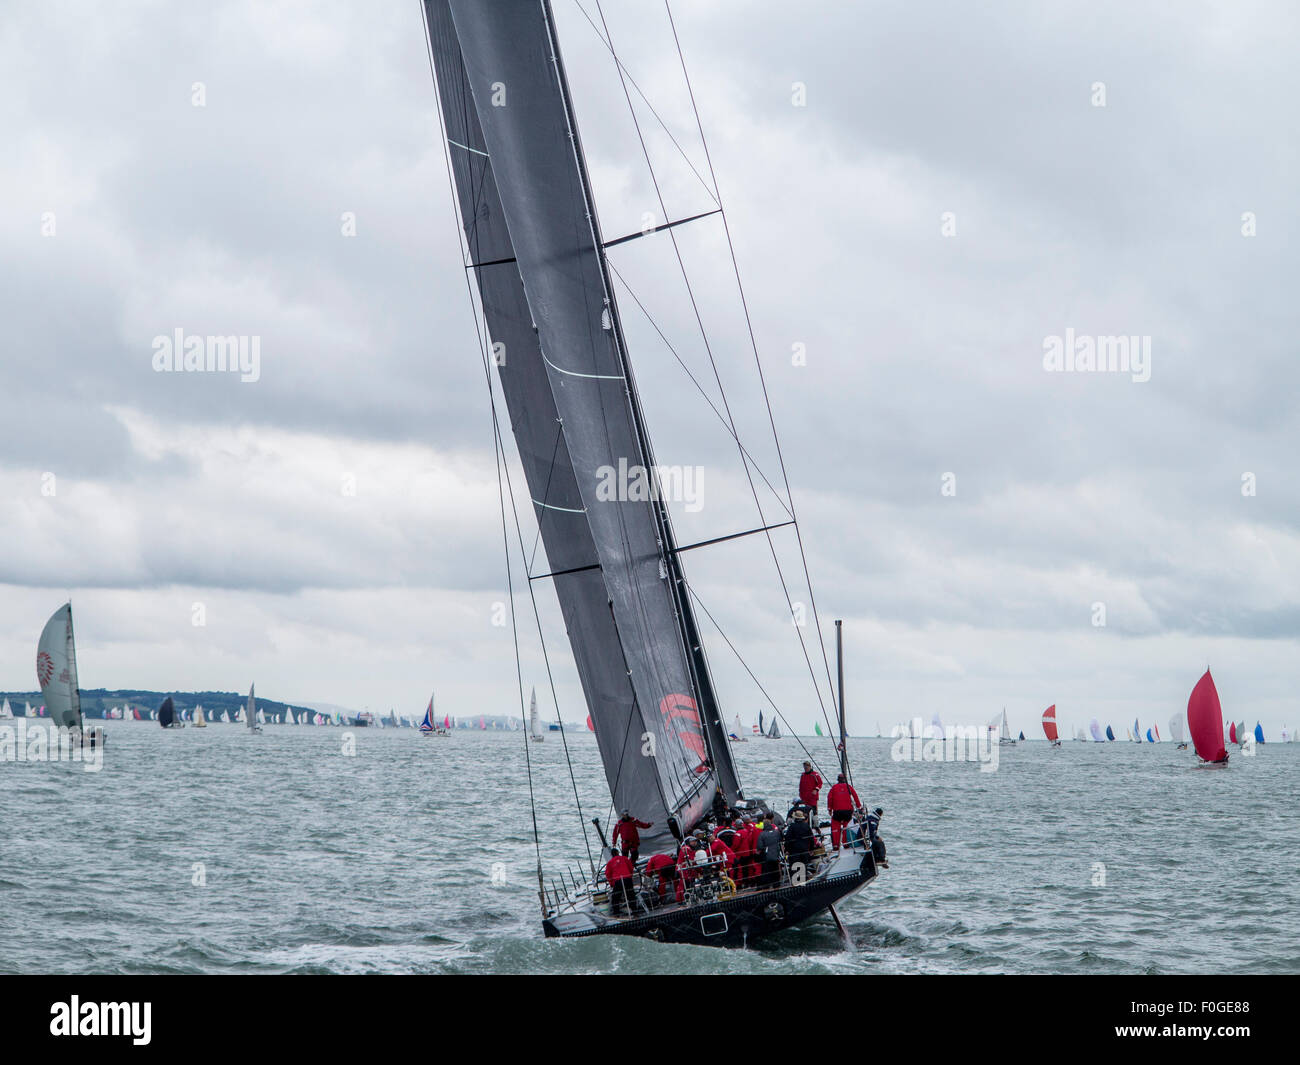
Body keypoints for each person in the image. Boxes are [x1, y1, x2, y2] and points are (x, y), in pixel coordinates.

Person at [826, 773, 862, 851]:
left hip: (837, 812)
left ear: (838, 780)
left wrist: (830, 809)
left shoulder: (834, 788)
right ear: (845, 779)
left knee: (835, 827)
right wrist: (859, 806)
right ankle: (846, 844)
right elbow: (855, 796)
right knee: (846, 827)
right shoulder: (849, 787)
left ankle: (836, 845)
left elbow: (829, 798)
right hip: (848, 812)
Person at [782, 809, 816, 882]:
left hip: (794, 850)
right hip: (804, 849)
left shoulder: (792, 826)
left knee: (795, 867)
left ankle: (795, 882)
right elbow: (811, 838)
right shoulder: (806, 826)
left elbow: (788, 839)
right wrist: (812, 849)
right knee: (804, 866)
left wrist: (786, 849)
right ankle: (803, 881)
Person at [605, 846, 637, 915]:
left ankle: (616, 913)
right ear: (618, 853)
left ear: (611, 855)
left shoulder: (610, 863)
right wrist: (630, 876)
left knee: (615, 898)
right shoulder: (625, 858)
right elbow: (631, 868)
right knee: (631, 896)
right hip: (627, 879)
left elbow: (608, 875)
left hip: (618, 881)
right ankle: (635, 912)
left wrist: (612, 884)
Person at [756, 818, 783, 888]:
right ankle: (776, 884)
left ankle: (767, 886)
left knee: (767, 871)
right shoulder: (776, 832)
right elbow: (780, 840)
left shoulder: (762, 834)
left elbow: (759, 846)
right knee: (776, 870)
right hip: (776, 854)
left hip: (767, 856)